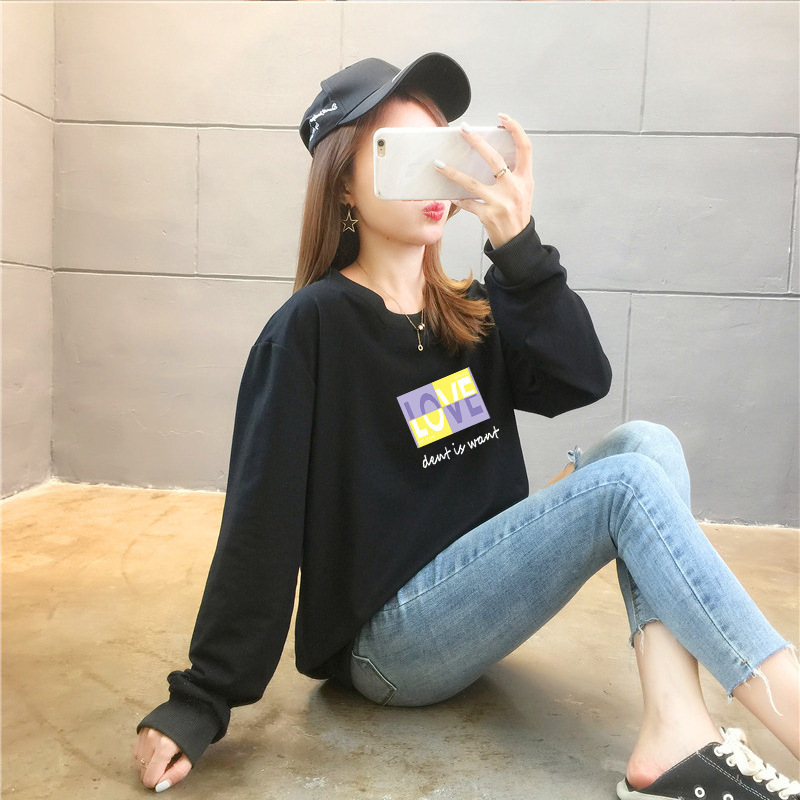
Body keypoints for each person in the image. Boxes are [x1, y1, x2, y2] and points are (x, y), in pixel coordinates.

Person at [134, 53, 799, 799]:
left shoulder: (472, 309)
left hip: (471, 594)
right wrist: (202, 698)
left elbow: (580, 381)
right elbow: (262, 518)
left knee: (649, 446)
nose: (433, 179)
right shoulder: (311, 328)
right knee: (626, 486)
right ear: (344, 184)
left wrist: (522, 252)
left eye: (441, 151)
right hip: (389, 644)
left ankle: (675, 725)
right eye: (401, 154)